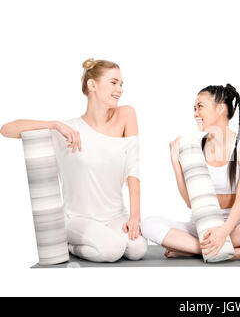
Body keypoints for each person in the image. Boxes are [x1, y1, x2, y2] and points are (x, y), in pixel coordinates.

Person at [1, 58, 148, 262]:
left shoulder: (126, 114)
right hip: (77, 219)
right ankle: (70, 245)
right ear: (92, 85)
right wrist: (54, 125)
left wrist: (134, 216)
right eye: (114, 82)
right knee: (112, 250)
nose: (120, 89)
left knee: (137, 249)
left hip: (115, 217)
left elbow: (133, 169)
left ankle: (104, 239)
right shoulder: (68, 131)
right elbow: (7, 129)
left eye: (121, 84)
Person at [141, 84, 240, 261]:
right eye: (194, 108)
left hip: (233, 227)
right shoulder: (194, 147)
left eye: (200, 107)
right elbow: (190, 202)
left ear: (220, 108)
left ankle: (192, 248)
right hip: (199, 227)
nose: (195, 113)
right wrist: (175, 161)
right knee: (149, 225)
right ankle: (227, 251)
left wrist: (223, 232)